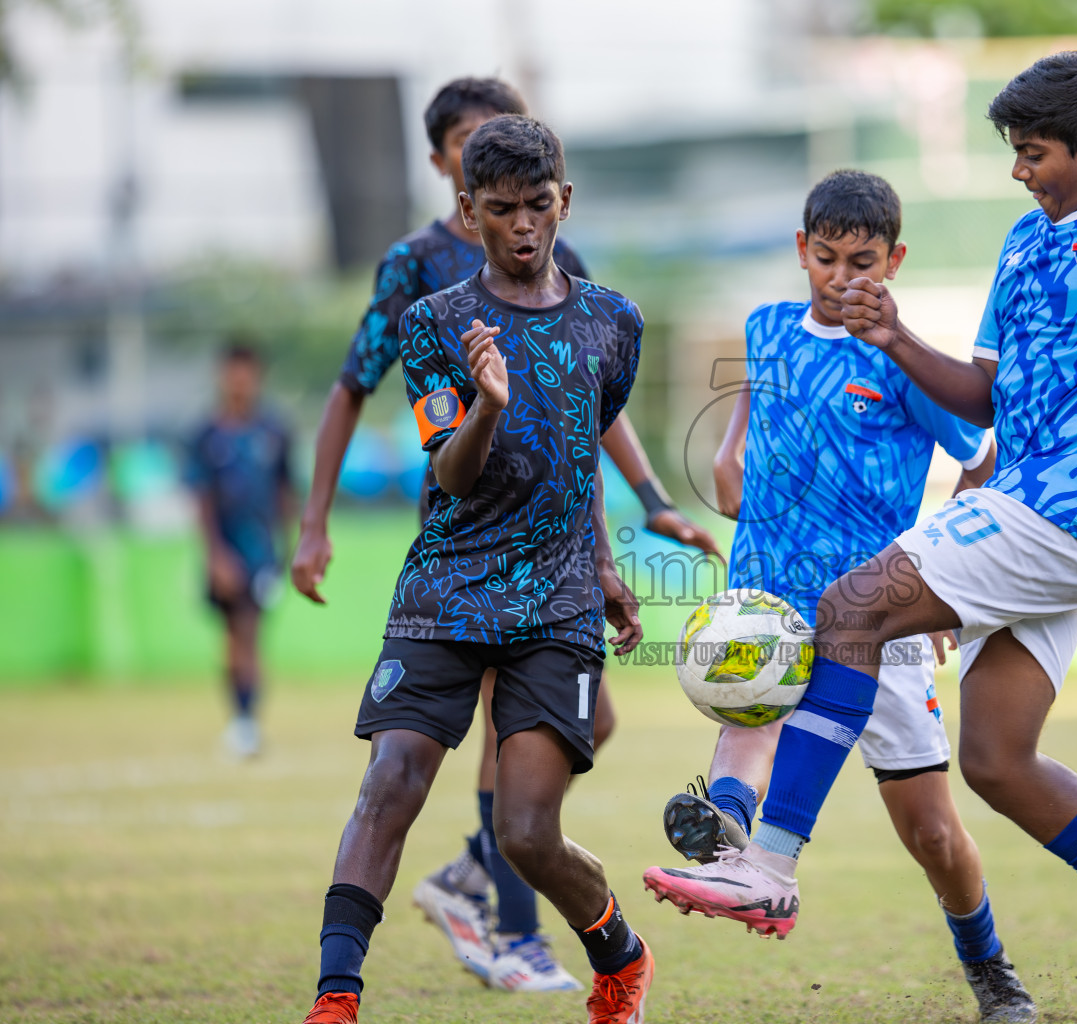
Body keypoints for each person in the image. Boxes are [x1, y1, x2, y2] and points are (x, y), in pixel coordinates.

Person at [644, 51, 1077, 1024]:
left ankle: (768, 864)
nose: (1020, 171)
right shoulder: (1023, 244)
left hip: (1075, 507)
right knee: (993, 759)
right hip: (1036, 508)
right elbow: (982, 395)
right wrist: (895, 335)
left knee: (851, 606)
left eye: (1033, 153)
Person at [288, 76, 717, 993]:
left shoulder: (615, 321)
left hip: (555, 596)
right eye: (500, 210)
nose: (522, 226)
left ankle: (618, 956)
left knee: (526, 832)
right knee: (391, 782)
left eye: (538, 205)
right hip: (447, 583)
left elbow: (575, 447)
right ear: (466, 209)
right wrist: (486, 406)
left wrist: (608, 556)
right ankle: (335, 997)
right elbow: (451, 471)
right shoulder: (435, 321)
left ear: (566, 200)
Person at [655, 169, 1033, 1022]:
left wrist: (944, 575)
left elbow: (981, 455)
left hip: (875, 616)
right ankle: (726, 835)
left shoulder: (904, 362)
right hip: (767, 602)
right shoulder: (764, 331)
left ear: (894, 260)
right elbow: (735, 452)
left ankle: (991, 970)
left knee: (931, 833)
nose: (842, 276)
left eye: (862, 261)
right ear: (801, 252)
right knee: (749, 713)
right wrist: (731, 470)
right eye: (826, 258)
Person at [186, 341, 294, 759]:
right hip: (225, 551)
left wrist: (289, 546)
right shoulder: (207, 435)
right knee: (233, 637)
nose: (239, 382)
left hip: (262, 551)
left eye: (246, 373)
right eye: (233, 372)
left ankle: (246, 722)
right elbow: (202, 498)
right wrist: (215, 555)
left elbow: (287, 491)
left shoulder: (274, 431)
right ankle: (243, 719)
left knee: (250, 632)